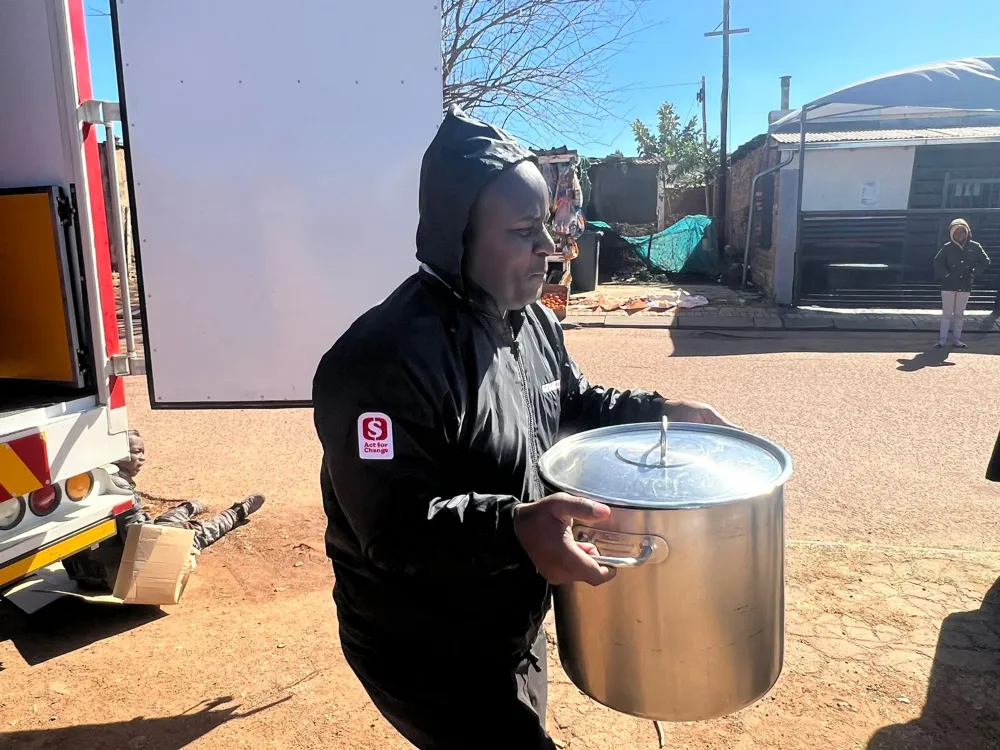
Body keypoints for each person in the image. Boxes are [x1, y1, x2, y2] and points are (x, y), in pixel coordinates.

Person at [312, 107, 734, 750]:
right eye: (523, 231)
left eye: (547, 225)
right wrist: (514, 528)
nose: (550, 246)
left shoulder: (533, 321)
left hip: (509, 618)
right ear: (458, 236)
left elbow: (573, 403)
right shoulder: (381, 362)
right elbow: (395, 530)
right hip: (421, 645)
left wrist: (660, 412)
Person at [933, 218, 990, 348]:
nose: (959, 235)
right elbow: (938, 261)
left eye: (962, 232)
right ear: (952, 233)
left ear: (967, 232)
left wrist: (974, 272)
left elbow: (985, 261)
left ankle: (956, 339)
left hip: (965, 285)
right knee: (947, 313)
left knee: (959, 313)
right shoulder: (947, 247)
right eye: (956, 232)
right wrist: (946, 275)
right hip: (949, 285)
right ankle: (942, 339)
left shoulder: (975, 246)